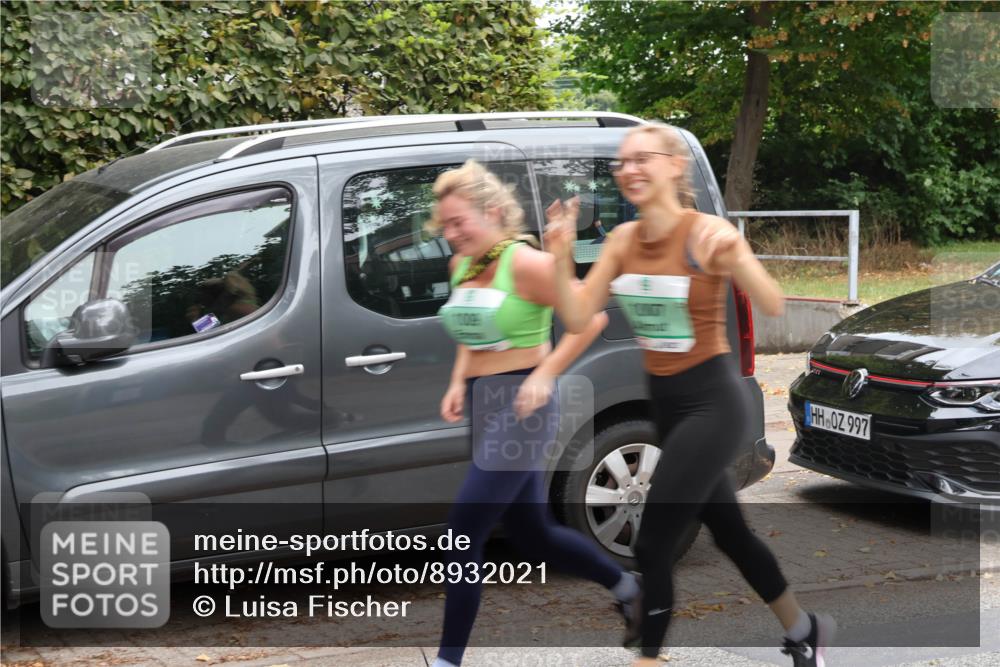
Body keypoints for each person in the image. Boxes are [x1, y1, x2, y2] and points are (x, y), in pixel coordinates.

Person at [543, 122, 836, 667]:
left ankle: (648, 656)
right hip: (668, 405)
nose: (628, 170)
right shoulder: (623, 241)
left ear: (674, 166)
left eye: (642, 159)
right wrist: (561, 252)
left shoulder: (706, 233)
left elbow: (771, 302)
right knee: (730, 535)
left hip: (712, 403)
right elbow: (579, 312)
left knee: (652, 543)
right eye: (621, 163)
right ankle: (804, 629)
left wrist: (736, 250)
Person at [426, 160, 640, 667]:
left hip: (525, 402)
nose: (451, 234)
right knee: (531, 533)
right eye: (446, 225)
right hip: (486, 403)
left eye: (460, 222)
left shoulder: (527, 263)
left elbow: (589, 319)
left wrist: (547, 373)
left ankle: (446, 661)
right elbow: (469, 332)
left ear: (494, 212)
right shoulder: (464, 265)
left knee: (462, 533)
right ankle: (628, 587)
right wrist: (459, 380)